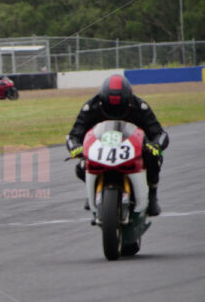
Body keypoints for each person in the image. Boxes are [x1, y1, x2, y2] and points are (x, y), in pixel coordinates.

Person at [65, 74, 169, 216]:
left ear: (128, 100)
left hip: (133, 148)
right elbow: (74, 134)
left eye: (120, 107)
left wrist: (155, 145)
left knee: (155, 159)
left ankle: (152, 195)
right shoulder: (92, 106)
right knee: (81, 167)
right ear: (102, 99)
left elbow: (160, 134)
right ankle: (94, 190)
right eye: (110, 106)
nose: (115, 110)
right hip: (101, 149)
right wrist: (75, 147)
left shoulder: (140, 106)